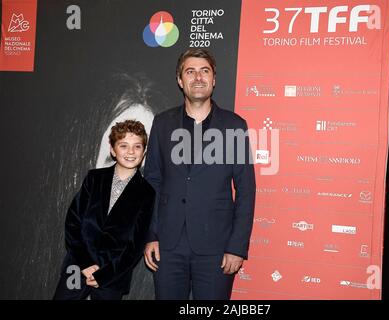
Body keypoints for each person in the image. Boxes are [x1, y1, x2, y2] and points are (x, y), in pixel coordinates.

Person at [143, 48, 256, 300]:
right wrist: (150, 235)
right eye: (190, 71)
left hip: (216, 247)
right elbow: (153, 182)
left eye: (205, 71)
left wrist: (237, 247)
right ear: (180, 80)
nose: (198, 77)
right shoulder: (162, 123)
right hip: (168, 246)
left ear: (214, 79)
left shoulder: (234, 125)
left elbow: (246, 190)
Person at [53, 120, 155, 300]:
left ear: (144, 152)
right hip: (77, 267)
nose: (130, 152)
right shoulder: (94, 179)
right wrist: (85, 263)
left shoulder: (147, 193)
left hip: (112, 276)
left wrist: (105, 275)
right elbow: (73, 223)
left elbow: (135, 246)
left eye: (137, 146)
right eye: (123, 145)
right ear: (113, 150)